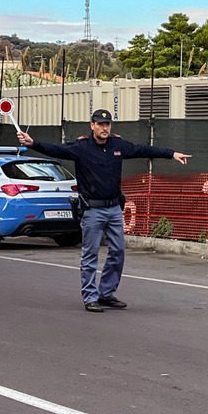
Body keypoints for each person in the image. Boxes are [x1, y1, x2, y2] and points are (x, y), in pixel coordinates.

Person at [17, 109, 191, 312]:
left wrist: (171, 154)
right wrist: (33, 143)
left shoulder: (118, 145)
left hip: (114, 209)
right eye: (100, 124)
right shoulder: (81, 147)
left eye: (107, 124)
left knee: (117, 251)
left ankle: (106, 293)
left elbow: (142, 149)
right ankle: (90, 297)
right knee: (90, 254)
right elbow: (57, 150)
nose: (104, 128)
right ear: (92, 125)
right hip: (92, 210)